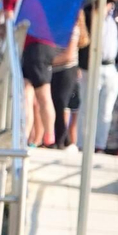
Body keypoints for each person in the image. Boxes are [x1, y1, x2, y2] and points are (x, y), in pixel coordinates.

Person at [80, 0, 118, 152]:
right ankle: (82, 143)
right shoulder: (90, 11)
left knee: (106, 109)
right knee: (87, 107)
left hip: (112, 68)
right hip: (91, 66)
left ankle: (99, 145)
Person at [49, 15, 86, 149]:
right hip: (56, 70)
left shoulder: (73, 30)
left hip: (66, 70)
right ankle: (61, 138)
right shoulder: (59, 28)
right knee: (56, 104)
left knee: (61, 104)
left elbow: (68, 55)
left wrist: (46, 61)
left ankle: (62, 139)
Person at [22, 32, 57, 148]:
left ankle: (49, 138)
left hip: (39, 47)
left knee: (43, 95)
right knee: (26, 94)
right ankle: (24, 136)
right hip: (29, 48)